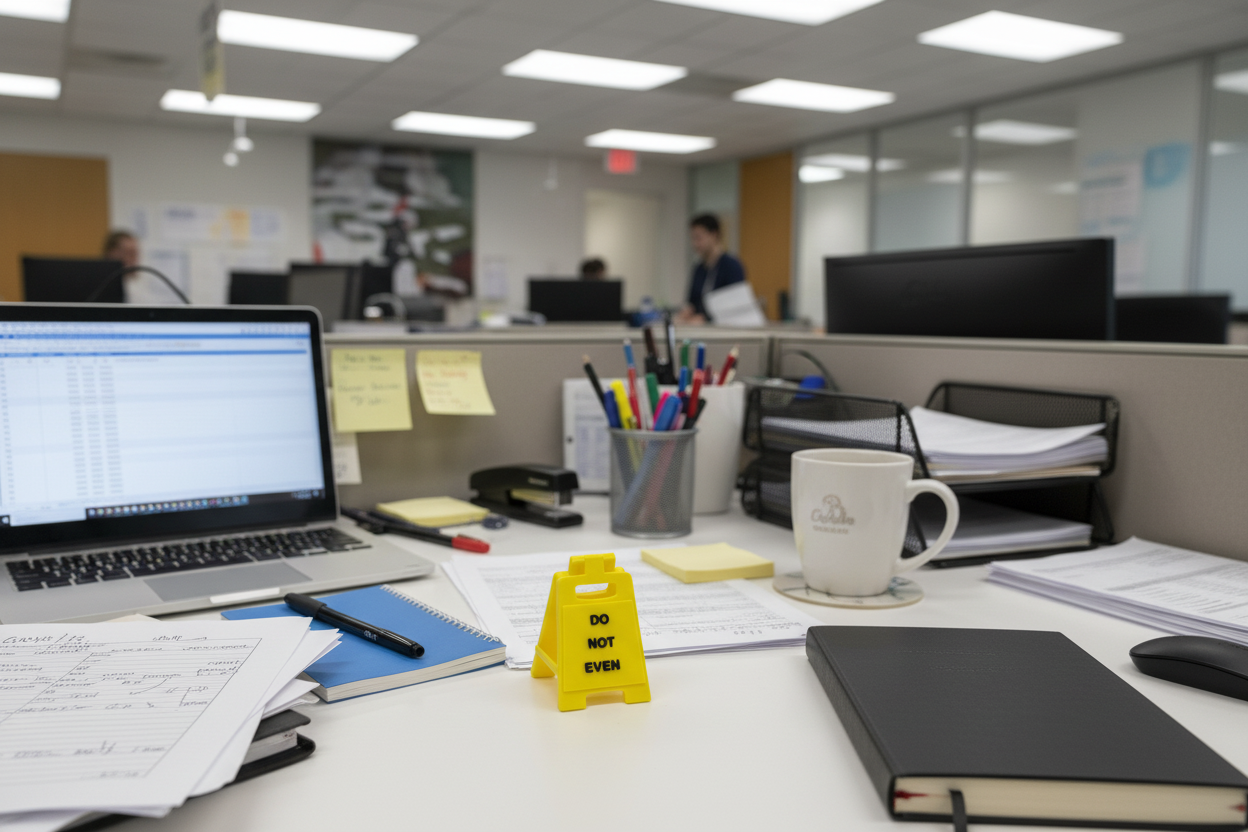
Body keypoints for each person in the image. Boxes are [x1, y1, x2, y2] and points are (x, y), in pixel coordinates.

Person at [677, 214, 746, 324]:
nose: (695, 244)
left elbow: (735, 306)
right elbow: (692, 302)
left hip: (724, 330)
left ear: (714, 235)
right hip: (700, 330)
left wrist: (705, 319)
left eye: (699, 238)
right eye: (693, 238)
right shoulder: (699, 268)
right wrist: (684, 314)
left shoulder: (732, 266)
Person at [103, 229, 184, 304]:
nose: (134, 260)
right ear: (112, 254)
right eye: (130, 254)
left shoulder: (137, 289)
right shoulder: (100, 289)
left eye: (136, 254)